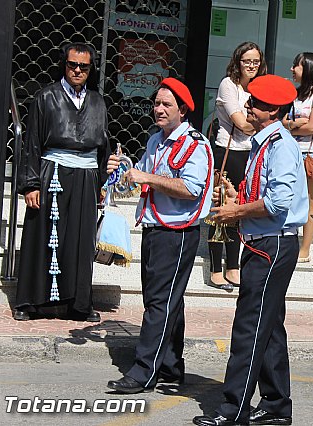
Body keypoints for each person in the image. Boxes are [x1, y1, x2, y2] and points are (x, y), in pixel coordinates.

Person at [192, 74, 307, 426]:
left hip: (272, 243)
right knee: (268, 325)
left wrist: (235, 211)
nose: (247, 107)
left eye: (254, 102)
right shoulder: (264, 144)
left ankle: (233, 409)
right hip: (264, 243)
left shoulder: (280, 146)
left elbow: (277, 203)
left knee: (250, 325)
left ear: (271, 110)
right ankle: (276, 403)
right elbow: (265, 196)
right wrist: (234, 198)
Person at [106, 77, 214, 393]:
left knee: (159, 303)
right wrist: (122, 169)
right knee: (167, 302)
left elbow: (191, 189)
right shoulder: (156, 141)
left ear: (182, 109)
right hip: (155, 228)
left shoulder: (195, 144)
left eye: (166, 104)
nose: (159, 109)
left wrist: (147, 177)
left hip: (177, 232)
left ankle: (143, 372)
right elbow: (136, 181)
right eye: (156, 103)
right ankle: (169, 366)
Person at [14, 42, 110, 322]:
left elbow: (103, 146)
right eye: (72, 65)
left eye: (84, 66)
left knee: (81, 241)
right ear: (64, 65)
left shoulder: (97, 101)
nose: (77, 70)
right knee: (41, 236)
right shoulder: (46, 97)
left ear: (90, 69)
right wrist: (30, 183)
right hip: (51, 172)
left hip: (86, 175)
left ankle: (78, 305)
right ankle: (29, 302)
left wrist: (102, 184)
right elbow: (31, 142)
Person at [208, 41, 267, 288]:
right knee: (221, 206)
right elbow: (242, 124)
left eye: (255, 61)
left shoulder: (261, 86)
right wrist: (273, 123)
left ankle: (233, 266)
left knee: (240, 208)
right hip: (228, 151)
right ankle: (214, 269)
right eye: (247, 61)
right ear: (237, 62)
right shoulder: (228, 85)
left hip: (251, 152)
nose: (251, 66)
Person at [282, 52, 313, 263]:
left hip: (311, 153)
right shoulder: (295, 93)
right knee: (288, 196)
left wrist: (295, 124)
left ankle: (305, 248)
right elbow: (282, 121)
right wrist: (295, 124)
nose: (292, 69)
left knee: (308, 199)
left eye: (297, 66)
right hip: (292, 150)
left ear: (309, 68)